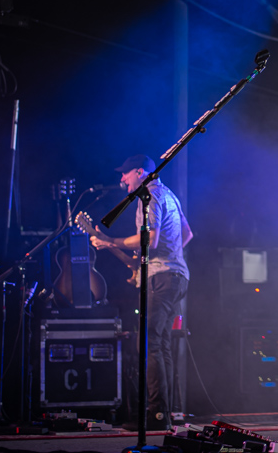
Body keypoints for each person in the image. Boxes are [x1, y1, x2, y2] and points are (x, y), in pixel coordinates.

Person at [90, 154, 193, 431]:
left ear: (140, 172)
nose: (122, 179)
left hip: (162, 279)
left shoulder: (148, 196)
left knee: (149, 344)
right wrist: (170, 257)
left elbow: (150, 239)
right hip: (176, 275)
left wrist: (111, 240)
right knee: (161, 345)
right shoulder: (169, 194)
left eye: (125, 174)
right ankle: (166, 413)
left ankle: (156, 415)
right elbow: (187, 234)